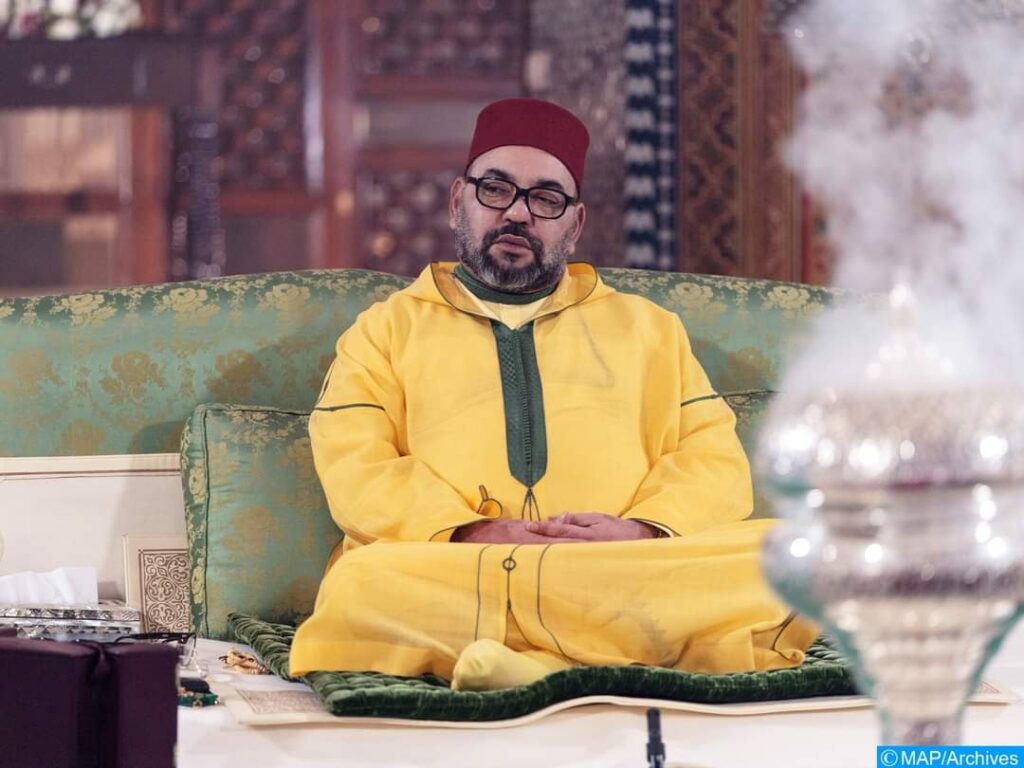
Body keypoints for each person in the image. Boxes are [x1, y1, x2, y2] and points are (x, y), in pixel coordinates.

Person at [289, 98, 816, 690]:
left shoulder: (648, 329)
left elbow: (714, 461)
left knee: (792, 553)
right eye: (496, 189)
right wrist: (471, 531)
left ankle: (533, 665)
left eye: (545, 199)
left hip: (617, 567)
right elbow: (356, 465)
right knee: (363, 584)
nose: (517, 213)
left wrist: (641, 530)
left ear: (575, 223)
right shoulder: (385, 329)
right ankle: (604, 655)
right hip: (461, 567)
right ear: (458, 200)